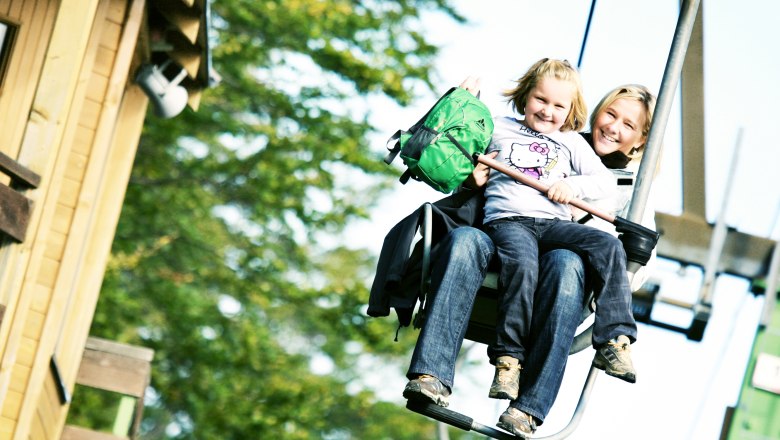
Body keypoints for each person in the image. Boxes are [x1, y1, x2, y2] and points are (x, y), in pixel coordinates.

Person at [400, 76, 658, 438]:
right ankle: (432, 375)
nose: (613, 127)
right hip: (503, 235)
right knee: (463, 239)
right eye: (610, 115)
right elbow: (469, 161)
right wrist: (470, 160)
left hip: (561, 268)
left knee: (566, 264)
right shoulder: (551, 137)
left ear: (641, 138)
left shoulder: (633, 190)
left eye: (628, 124)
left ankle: (529, 406)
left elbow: (634, 263)